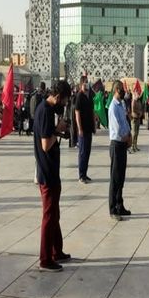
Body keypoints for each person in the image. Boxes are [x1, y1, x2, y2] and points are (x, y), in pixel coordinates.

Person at [34, 80, 72, 272]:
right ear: (57, 97)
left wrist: (58, 130)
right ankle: (45, 258)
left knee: (54, 212)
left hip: (51, 170)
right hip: (47, 171)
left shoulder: (46, 109)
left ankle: (57, 251)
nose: (64, 105)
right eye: (64, 101)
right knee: (49, 215)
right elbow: (45, 144)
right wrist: (58, 130)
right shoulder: (46, 111)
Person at [108, 80, 132, 221]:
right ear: (117, 90)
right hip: (117, 144)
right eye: (122, 89)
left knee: (121, 177)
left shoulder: (121, 105)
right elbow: (117, 129)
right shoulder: (113, 107)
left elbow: (125, 123)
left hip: (123, 143)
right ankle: (112, 208)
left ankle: (119, 205)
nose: (123, 91)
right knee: (115, 178)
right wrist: (126, 138)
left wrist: (129, 136)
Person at [74, 76, 95, 184]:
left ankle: (85, 174)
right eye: (85, 82)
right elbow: (77, 113)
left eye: (88, 82)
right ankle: (81, 175)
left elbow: (92, 110)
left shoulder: (89, 95)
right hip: (82, 129)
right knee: (82, 152)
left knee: (87, 152)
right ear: (81, 84)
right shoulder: (79, 96)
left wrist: (94, 125)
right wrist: (80, 128)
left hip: (89, 128)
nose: (87, 84)